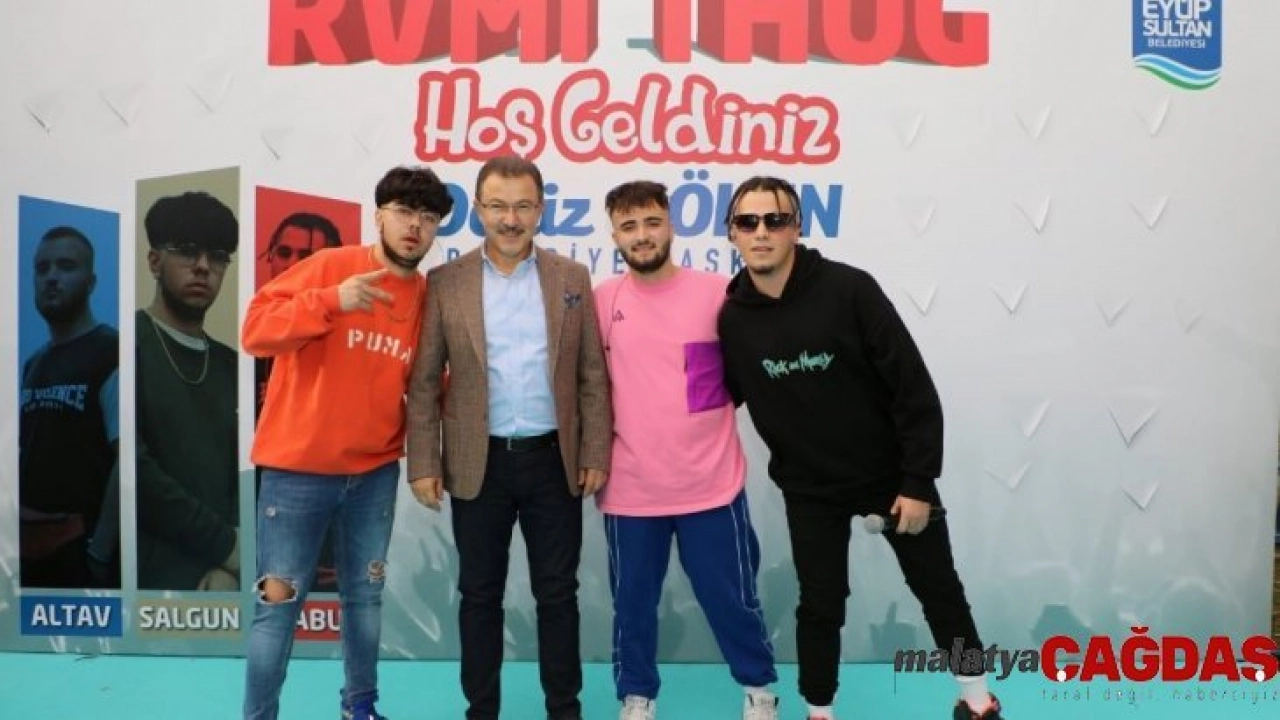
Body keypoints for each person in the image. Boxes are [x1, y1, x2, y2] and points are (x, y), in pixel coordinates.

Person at [716, 177, 1004, 720]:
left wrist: (917, 482)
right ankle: (819, 711)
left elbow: (913, 388)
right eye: (747, 222)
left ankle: (978, 701)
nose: (761, 232)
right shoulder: (732, 319)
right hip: (809, 488)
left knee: (940, 591)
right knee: (820, 606)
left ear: (797, 228)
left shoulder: (850, 289)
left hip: (892, 477)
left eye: (775, 220)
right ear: (732, 233)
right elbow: (717, 396)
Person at [241, 166, 453, 720]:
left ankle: (359, 707)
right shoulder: (332, 267)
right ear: (379, 214)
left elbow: (430, 385)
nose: (415, 226)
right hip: (296, 472)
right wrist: (331, 300)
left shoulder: (427, 297)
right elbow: (255, 332)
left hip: (373, 474)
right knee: (277, 608)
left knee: (365, 599)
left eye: (428, 217)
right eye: (404, 212)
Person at [406, 155, 612, 720]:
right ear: (478, 209)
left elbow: (591, 375)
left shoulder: (571, 278)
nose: (511, 219)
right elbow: (424, 383)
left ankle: (564, 710)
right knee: (479, 595)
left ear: (541, 209)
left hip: (554, 461)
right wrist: (423, 462)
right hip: (479, 464)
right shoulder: (445, 283)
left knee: (558, 594)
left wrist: (595, 450)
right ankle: (482, 710)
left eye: (523, 206)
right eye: (498, 206)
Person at [593, 181, 778, 720]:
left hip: (711, 485)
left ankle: (759, 690)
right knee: (632, 606)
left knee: (733, 598)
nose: (642, 235)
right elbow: (587, 386)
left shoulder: (719, 293)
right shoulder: (602, 300)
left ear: (671, 225)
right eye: (629, 226)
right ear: (614, 235)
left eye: (652, 222)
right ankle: (637, 696)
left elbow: (747, 372)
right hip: (630, 489)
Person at [135, 191, 241, 591]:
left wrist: (234, 565)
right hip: (145, 585)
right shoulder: (124, 347)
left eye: (218, 256)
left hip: (225, 579)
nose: (203, 267)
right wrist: (226, 547)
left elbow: (247, 478)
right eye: (186, 250)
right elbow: (134, 471)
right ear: (154, 261)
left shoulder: (234, 365)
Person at [19, 225, 120, 589]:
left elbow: (127, 460)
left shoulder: (111, 351)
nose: (51, 277)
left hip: (82, 559)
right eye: (42, 268)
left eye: (65, 266)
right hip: (31, 556)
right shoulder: (33, 364)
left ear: (91, 282)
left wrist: (99, 552)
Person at [255, 211, 346, 592]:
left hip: (332, 510)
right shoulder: (248, 338)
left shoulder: (350, 337)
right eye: (284, 252)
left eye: (308, 256)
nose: (293, 264)